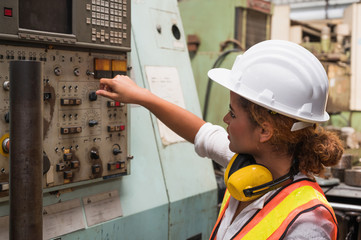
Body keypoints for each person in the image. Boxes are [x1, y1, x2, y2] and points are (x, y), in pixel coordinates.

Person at [96, 40, 343, 240]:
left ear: (265, 131)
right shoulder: (249, 164)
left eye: (233, 113)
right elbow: (200, 132)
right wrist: (142, 96)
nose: (225, 118)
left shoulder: (307, 225)